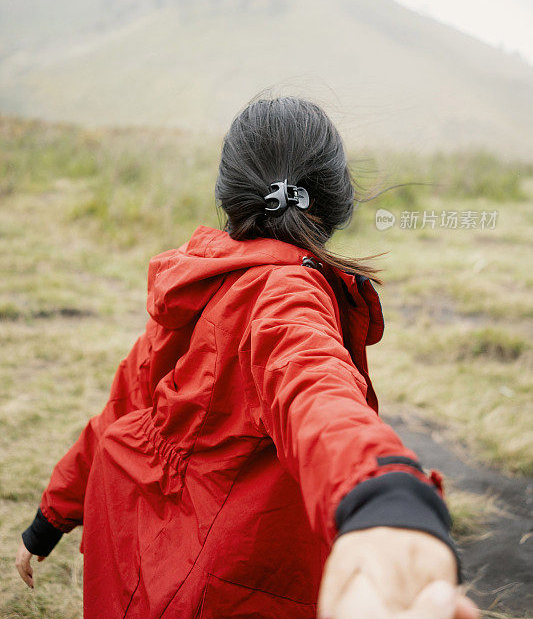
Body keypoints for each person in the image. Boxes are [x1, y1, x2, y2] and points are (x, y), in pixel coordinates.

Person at [16, 97, 479, 619]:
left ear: (230, 195)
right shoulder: (288, 292)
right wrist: (384, 495)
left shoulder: (196, 279)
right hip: (229, 587)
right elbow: (315, 392)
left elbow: (118, 412)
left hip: (133, 560)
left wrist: (49, 518)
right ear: (333, 199)